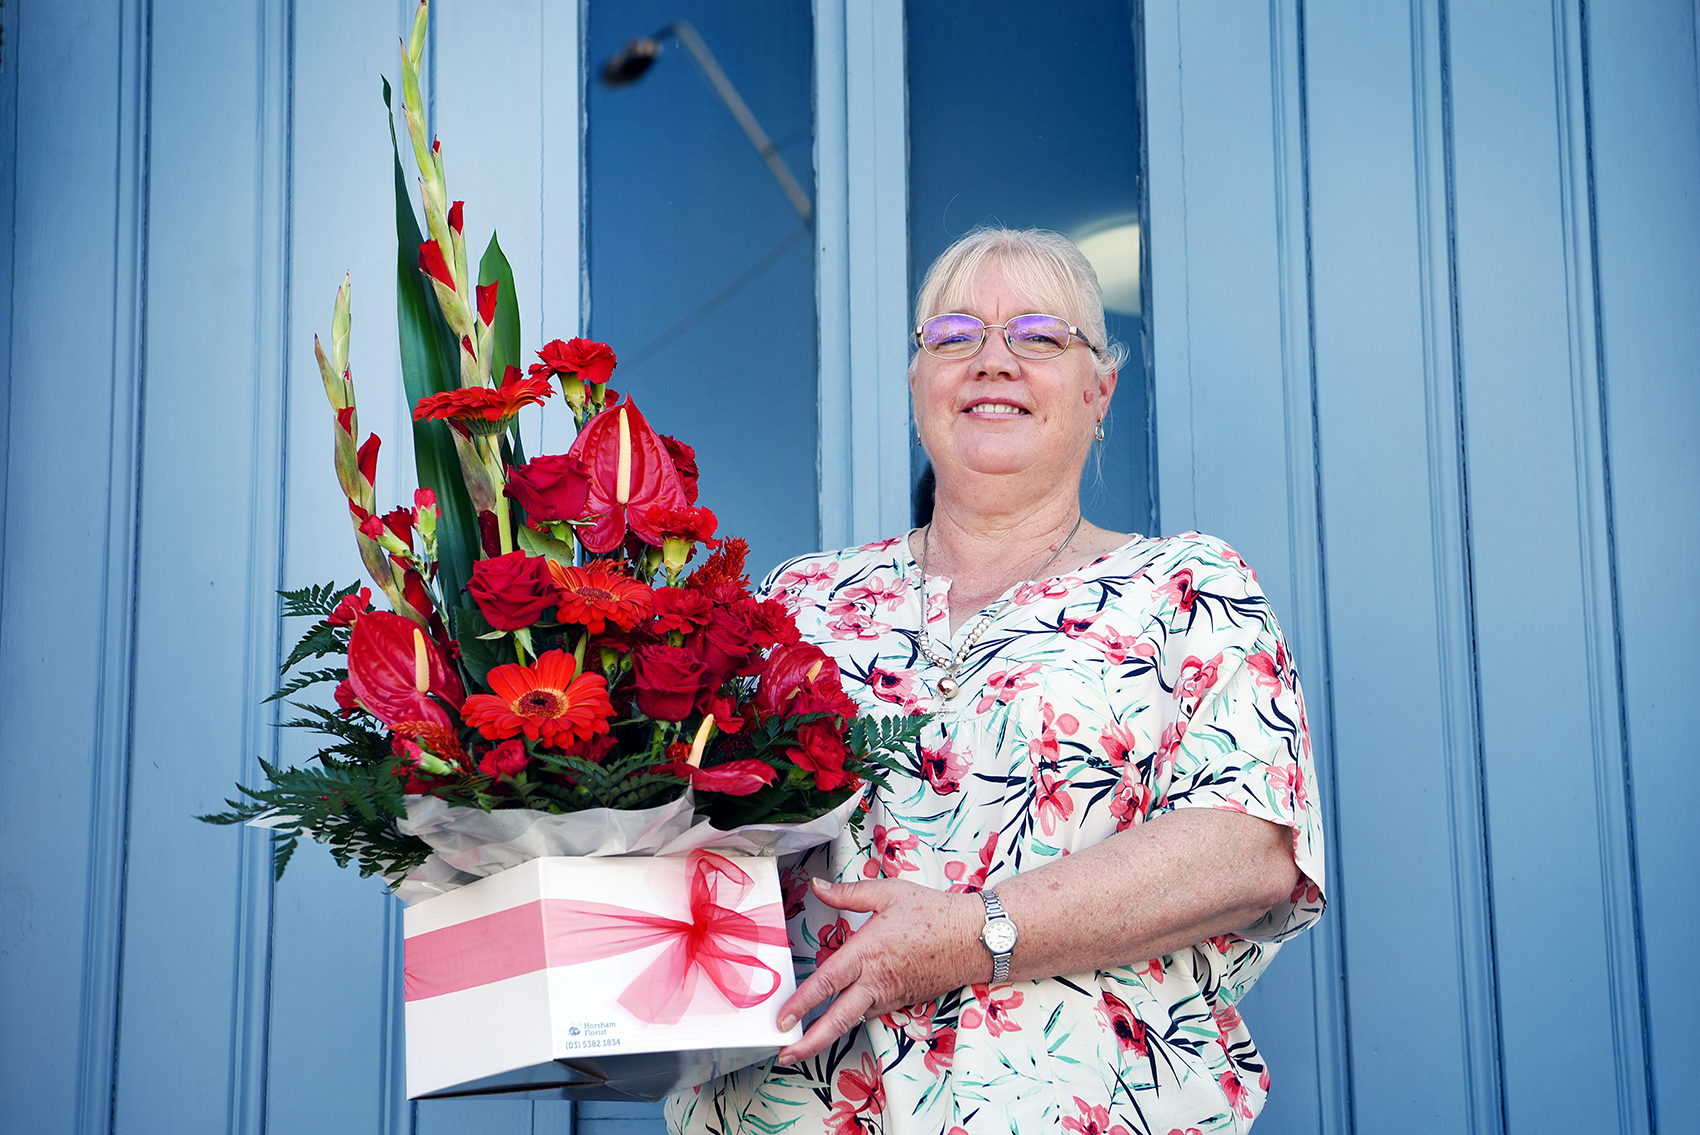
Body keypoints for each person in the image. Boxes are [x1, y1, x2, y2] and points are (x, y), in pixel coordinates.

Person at [667, 228, 1326, 1135]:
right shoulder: (797, 600)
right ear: (916, 387)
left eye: (1039, 336)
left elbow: (1248, 850)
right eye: (955, 336)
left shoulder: (1187, 588)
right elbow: (686, 832)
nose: (992, 362)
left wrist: (974, 933)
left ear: (1101, 392)